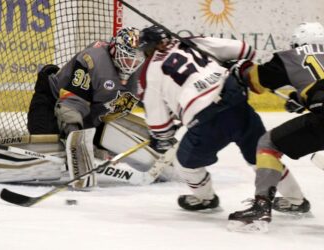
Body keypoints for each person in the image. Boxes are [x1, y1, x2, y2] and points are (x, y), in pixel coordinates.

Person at [138, 25, 309, 212]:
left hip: (207, 122)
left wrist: (163, 135)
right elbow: (246, 50)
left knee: (185, 164)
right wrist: (225, 63)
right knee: (263, 156)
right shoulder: (192, 41)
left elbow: (159, 124)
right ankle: (296, 200)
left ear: (148, 48)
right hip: (236, 100)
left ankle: (205, 199)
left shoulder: (150, 71)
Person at [227, 22, 324, 228]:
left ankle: (261, 206)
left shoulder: (292, 56)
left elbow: (256, 81)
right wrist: (305, 97)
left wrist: (240, 69)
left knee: (269, 144)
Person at [27, 27, 145, 139]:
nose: (131, 64)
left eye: (135, 59)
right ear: (114, 49)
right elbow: (72, 103)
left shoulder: (138, 70)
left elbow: (114, 110)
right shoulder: (92, 60)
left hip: (90, 110)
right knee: (45, 136)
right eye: (126, 57)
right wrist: (75, 133)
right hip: (53, 99)